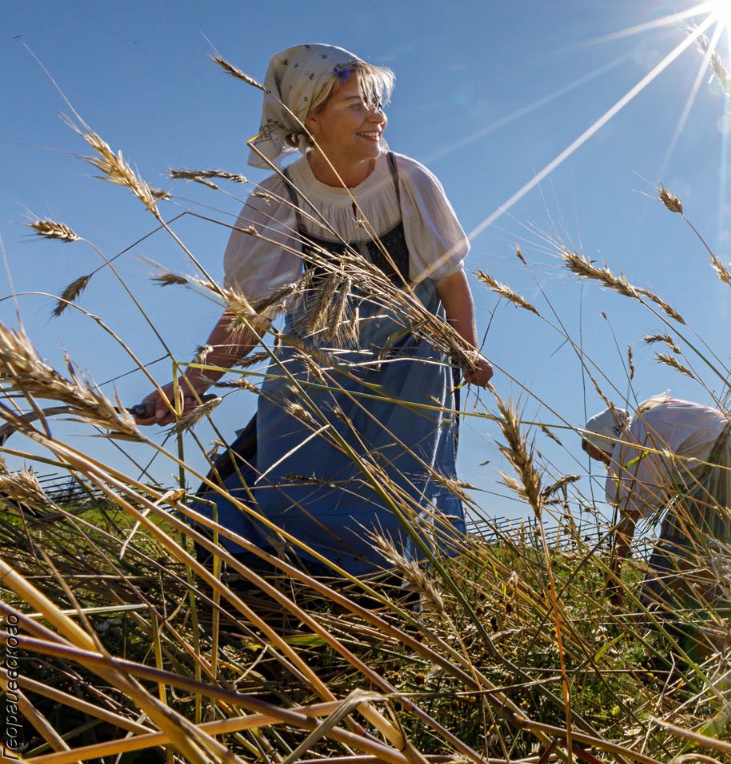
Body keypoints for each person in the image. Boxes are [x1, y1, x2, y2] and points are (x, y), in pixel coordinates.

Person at [137, 43, 492, 580]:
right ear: (311, 118)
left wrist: (466, 348)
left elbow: (449, 278)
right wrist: (190, 385)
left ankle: (384, 594)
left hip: (408, 367)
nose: (377, 118)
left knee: (397, 488)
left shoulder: (407, 180)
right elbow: (251, 313)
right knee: (284, 480)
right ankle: (277, 588)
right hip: (316, 365)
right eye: (356, 105)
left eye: (376, 103)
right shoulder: (278, 198)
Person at [581, 394, 731, 657]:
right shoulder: (651, 421)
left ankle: (661, 625)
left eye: (603, 456)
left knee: (678, 542)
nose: (607, 464)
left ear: (609, 440)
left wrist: (614, 574)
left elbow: (628, 516)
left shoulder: (635, 436)